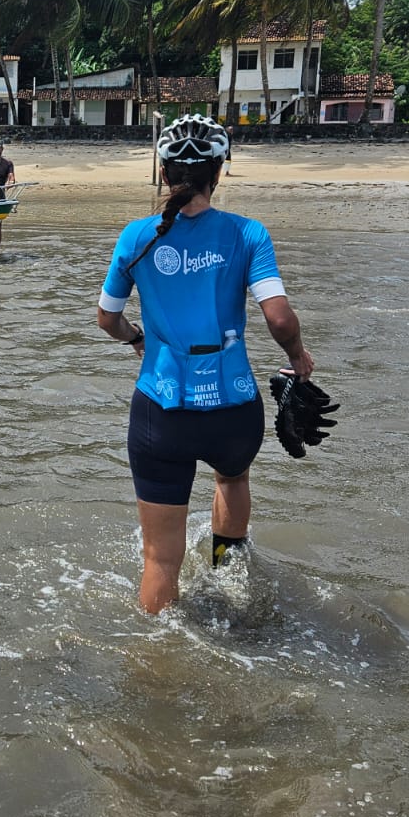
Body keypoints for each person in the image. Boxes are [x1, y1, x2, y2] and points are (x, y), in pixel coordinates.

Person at [96, 114, 314, 614]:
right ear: (220, 170)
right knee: (231, 480)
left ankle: (156, 665)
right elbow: (279, 320)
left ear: (164, 170)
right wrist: (297, 358)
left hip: (160, 410)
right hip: (233, 409)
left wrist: (137, 339)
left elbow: (107, 318)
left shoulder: (136, 237)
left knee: (159, 560)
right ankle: (225, 574)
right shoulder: (248, 234)